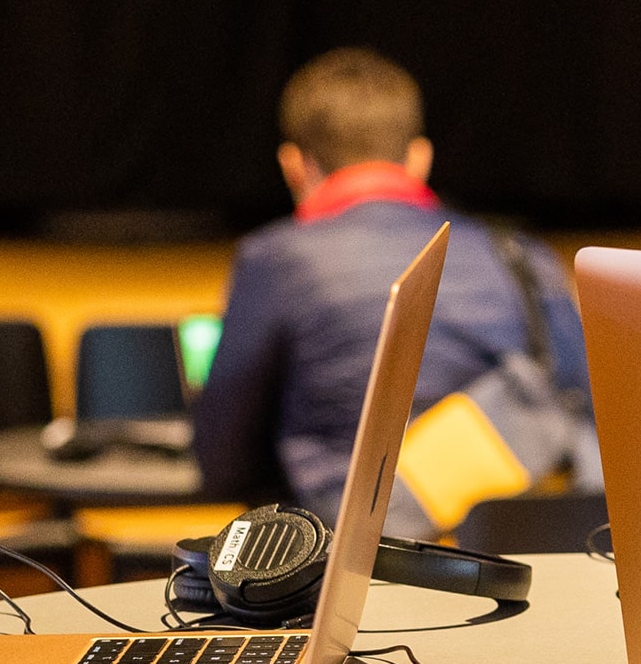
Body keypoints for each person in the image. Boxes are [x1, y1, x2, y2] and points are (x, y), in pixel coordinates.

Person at [192, 46, 595, 536]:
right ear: (420, 158)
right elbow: (586, 415)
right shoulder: (521, 256)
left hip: (359, 568)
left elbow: (223, 464)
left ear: (294, 165)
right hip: (519, 563)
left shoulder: (273, 261)